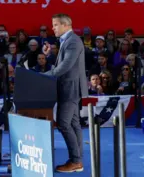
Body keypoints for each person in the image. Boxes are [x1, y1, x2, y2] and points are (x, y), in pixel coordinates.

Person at [42, 13, 87, 173]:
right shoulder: (67, 41)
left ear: (65, 25)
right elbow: (64, 62)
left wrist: (43, 76)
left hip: (70, 89)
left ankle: (75, 161)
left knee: (63, 123)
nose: (52, 28)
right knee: (74, 124)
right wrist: (50, 55)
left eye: (55, 25)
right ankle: (77, 160)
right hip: (70, 88)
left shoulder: (73, 41)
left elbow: (66, 66)